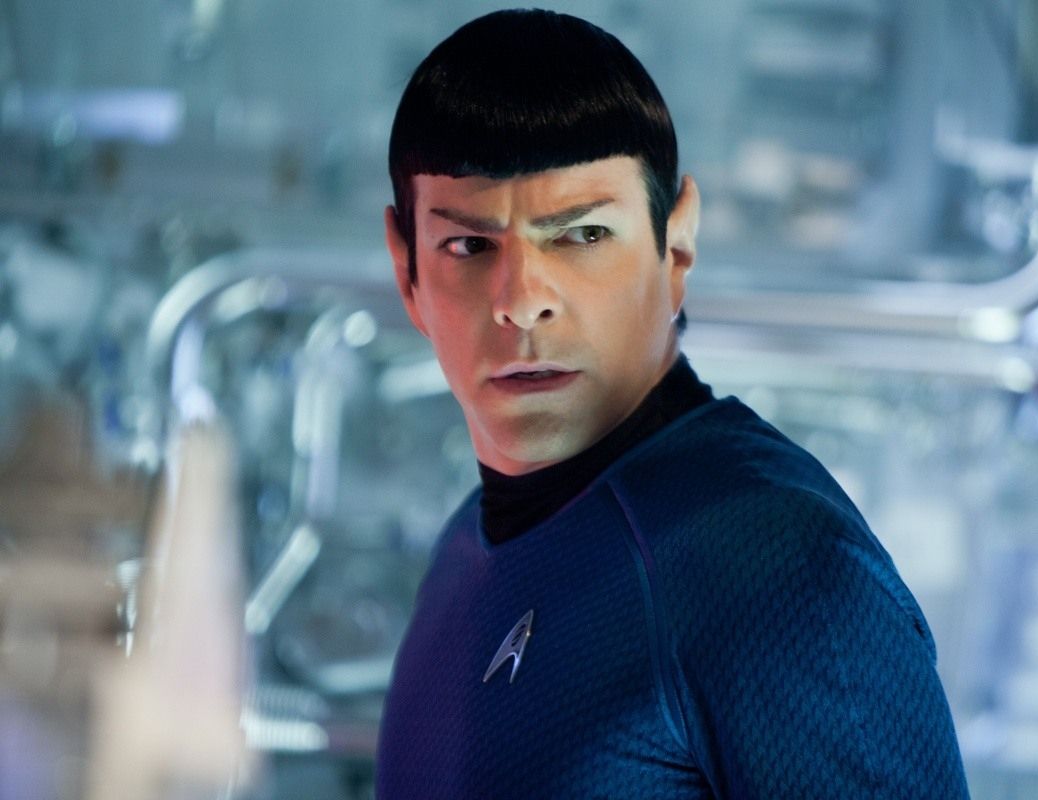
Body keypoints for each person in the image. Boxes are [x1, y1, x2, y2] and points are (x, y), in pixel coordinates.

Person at [375, 9, 969, 799]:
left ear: (676, 246)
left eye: (582, 235)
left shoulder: (775, 573)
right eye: (469, 246)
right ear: (406, 270)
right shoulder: (467, 544)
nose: (520, 301)